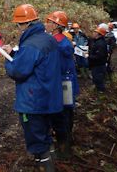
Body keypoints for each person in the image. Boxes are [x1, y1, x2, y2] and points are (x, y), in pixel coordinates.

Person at [3, 4, 62, 172]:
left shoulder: (30, 44)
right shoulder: (48, 39)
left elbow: (19, 71)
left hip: (33, 102)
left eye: (18, 24)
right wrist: (15, 54)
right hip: (49, 98)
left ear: (25, 24)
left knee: (37, 140)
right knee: (46, 135)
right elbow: (38, 63)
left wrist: (8, 59)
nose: (18, 28)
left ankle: (44, 166)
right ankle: (51, 161)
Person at [45, 11, 79, 159]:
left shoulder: (59, 44)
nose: (46, 24)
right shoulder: (60, 41)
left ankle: (64, 149)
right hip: (64, 82)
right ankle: (64, 145)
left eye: (49, 21)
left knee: (64, 115)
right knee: (64, 115)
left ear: (56, 26)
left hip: (64, 83)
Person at [88, 26, 108, 92]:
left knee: (99, 80)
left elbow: (99, 56)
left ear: (98, 34)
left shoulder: (100, 44)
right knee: (96, 79)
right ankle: (98, 91)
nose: (93, 33)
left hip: (99, 65)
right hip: (96, 65)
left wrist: (89, 56)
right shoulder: (96, 41)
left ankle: (101, 94)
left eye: (95, 32)